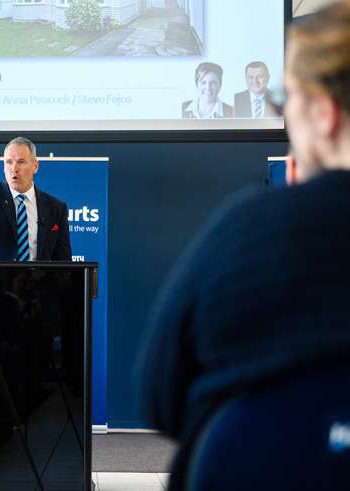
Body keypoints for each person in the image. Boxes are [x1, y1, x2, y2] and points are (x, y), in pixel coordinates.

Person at [137, 2, 350, 489]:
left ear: (324, 114)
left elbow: (159, 398)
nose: (283, 117)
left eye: (286, 99)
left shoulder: (248, 231)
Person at [0, 136, 71, 261]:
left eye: (21, 162)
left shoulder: (56, 208)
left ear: (35, 166)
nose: (14, 169)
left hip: (36, 280)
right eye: (9, 162)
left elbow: (64, 261)